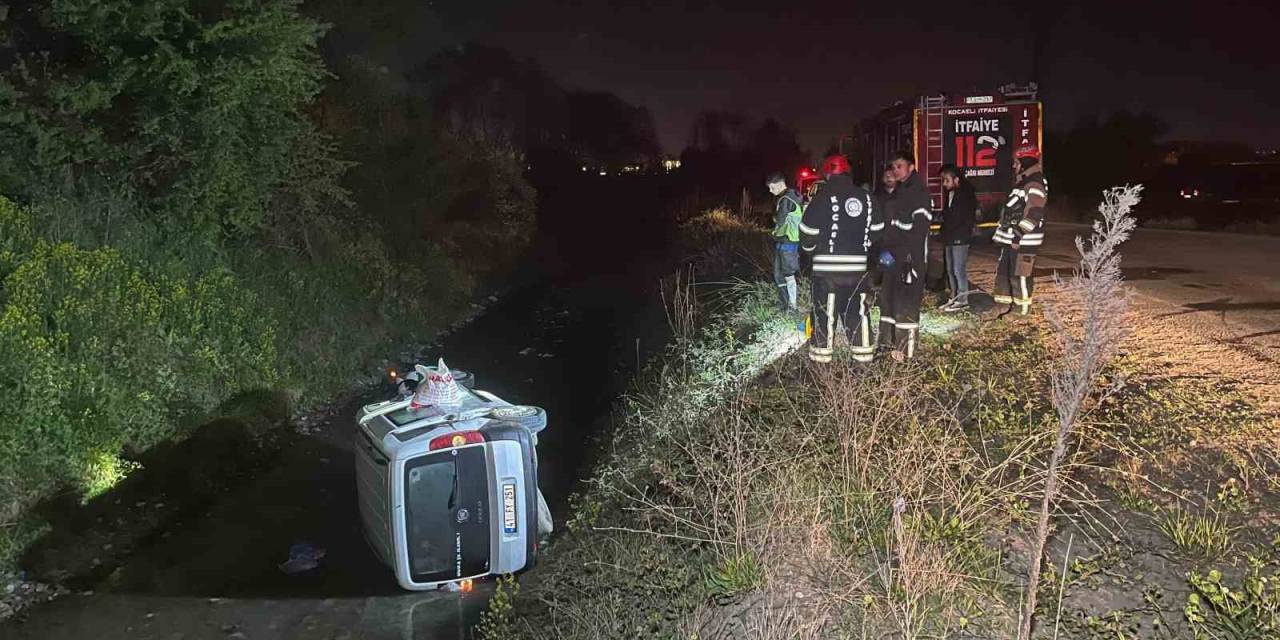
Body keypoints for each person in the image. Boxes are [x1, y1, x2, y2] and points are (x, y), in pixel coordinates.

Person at [798, 154, 880, 363]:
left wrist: (810, 250)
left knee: (824, 317)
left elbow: (807, 233)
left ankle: (822, 366)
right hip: (857, 272)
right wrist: (862, 248)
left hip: (827, 273)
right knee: (858, 315)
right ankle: (863, 366)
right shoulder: (868, 198)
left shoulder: (822, 197)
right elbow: (878, 231)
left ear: (827, 174)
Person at [878, 150, 932, 361]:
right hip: (892, 258)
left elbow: (919, 231)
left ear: (911, 167)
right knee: (888, 300)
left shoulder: (919, 194)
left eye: (899, 166)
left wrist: (910, 259)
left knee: (906, 305)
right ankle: (887, 346)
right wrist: (884, 260)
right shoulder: (898, 194)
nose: (895, 171)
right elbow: (890, 231)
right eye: (893, 167)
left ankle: (907, 356)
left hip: (909, 260)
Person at [992, 145, 1048, 315]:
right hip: (1012, 240)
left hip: (1023, 242)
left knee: (1020, 276)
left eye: (1016, 162)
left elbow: (1035, 212)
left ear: (1024, 162)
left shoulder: (1035, 183)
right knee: (1003, 273)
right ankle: (1002, 305)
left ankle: (1021, 311)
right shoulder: (1023, 182)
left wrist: (1018, 236)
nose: (1013, 166)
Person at [938, 164, 977, 311]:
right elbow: (948, 214)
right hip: (949, 236)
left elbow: (960, 217)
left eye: (946, 180)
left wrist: (947, 226)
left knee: (958, 269)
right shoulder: (951, 193)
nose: (944, 184)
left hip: (960, 236)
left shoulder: (966, 194)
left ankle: (963, 299)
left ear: (956, 179)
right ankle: (953, 297)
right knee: (949, 269)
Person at [767, 172, 803, 312]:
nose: (771, 191)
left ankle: (792, 307)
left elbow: (779, 220)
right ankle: (785, 305)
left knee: (787, 275)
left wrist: (773, 218)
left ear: (780, 184)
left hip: (788, 242)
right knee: (779, 275)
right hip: (786, 242)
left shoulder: (786, 199)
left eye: (772, 187)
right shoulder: (792, 195)